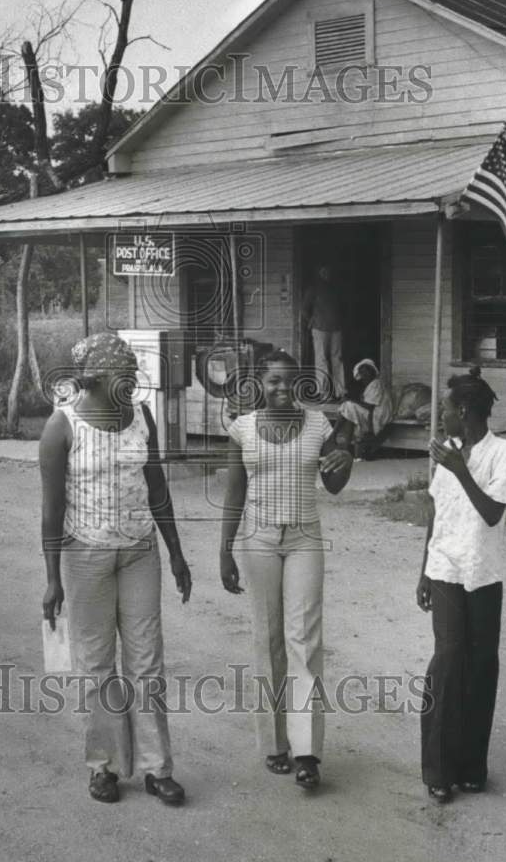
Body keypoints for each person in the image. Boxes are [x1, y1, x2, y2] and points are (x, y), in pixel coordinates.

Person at [39, 332, 192, 806]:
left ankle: (156, 768)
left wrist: (176, 553)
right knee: (97, 666)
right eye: (122, 375)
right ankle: (103, 768)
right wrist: (52, 579)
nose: (131, 382)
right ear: (96, 379)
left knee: (147, 662)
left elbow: (157, 488)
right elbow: (51, 511)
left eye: (133, 373)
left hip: (139, 553)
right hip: (86, 558)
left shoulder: (141, 417)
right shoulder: (61, 427)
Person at [219, 348, 354, 790]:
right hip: (258, 540)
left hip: (304, 540)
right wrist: (225, 550)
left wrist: (345, 461)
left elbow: (334, 484)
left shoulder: (319, 425)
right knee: (268, 639)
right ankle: (274, 744)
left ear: (299, 384)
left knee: (305, 640)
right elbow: (234, 494)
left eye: (288, 381)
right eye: (273, 380)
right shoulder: (242, 429)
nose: (281, 389)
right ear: (260, 382)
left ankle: (307, 752)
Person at [415, 366, 506, 804]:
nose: (440, 419)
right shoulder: (448, 453)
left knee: (480, 667)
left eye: (445, 410)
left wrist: (460, 470)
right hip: (445, 571)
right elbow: (436, 513)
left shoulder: (502, 453)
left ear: (463, 410)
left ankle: (471, 766)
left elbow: (492, 513)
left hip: (484, 573)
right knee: (448, 658)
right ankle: (437, 769)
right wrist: (423, 570)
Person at [300, 265, 344, 400]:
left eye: (328, 271)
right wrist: (310, 320)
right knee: (321, 359)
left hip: (336, 327)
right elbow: (304, 310)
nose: (326, 274)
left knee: (337, 359)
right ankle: (323, 392)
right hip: (319, 328)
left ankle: (340, 391)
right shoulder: (313, 288)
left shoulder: (335, 288)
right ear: (318, 272)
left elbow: (343, 307)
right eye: (323, 271)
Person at [336, 358, 394, 460]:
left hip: (378, 416)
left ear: (372, 372)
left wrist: (350, 400)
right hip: (372, 414)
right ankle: (346, 447)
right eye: (362, 372)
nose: (365, 374)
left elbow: (370, 406)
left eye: (367, 371)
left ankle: (335, 433)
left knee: (348, 406)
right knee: (348, 410)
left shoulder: (376, 384)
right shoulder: (369, 386)